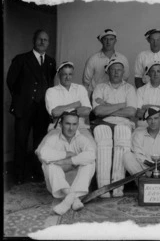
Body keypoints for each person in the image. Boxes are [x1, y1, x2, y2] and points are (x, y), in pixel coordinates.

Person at [7, 29, 56, 184]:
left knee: (40, 142)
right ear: (34, 41)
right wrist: (23, 98)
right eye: (40, 39)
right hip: (24, 107)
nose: (42, 42)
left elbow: (50, 83)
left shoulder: (50, 61)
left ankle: (37, 173)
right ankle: (19, 175)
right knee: (21, 141)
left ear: (48, 43)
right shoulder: (21, 59)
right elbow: (11, 82)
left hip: (42, 109)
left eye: (46, 40)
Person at [35, 111, 96, 215]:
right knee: (49, 164)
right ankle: (73, 198)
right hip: (58, 188)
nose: (71, 128)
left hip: (78, 185)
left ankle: (68, 200)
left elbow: (91, 155)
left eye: (74, 124)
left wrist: (69, 161)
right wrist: (65, 154)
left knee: (90, 162)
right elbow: (43, 154)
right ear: (60, 124)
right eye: (67, 123)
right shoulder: (53, 138)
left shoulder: (82, 139)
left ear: (77, 125)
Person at [92, 58, 137, 198]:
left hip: (124, 122)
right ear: (108, 71)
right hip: (103, 121)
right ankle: (103, 188)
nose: (116, 72)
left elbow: (131, 112)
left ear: (123, 72)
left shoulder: (129, 88)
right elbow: (98, 111)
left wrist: (108, 106)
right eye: (113, 69)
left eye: (119, 69)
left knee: (122, 132)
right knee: (102, 133)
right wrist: (121, 105)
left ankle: (117, 187)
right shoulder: (100, 87)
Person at [45, 61, 93, 140]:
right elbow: (55, 112)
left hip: (80, 126)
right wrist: (75, 105)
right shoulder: (51, 91)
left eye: (70, 74)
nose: (68, 77)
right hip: (59, 127)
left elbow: (86, 111)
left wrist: (62, 110)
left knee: (90, 147)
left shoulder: (80, 89)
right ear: (58, 75)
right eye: (64, 74)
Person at [82, 29, 130, 96]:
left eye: (111, 39)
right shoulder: (93, 59)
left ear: (115, 41)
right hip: (97, 95)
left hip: (117, 95)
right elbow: (86, 82)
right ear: (101, 41)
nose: (108, 42)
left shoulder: (122, 59)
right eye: (105, 39)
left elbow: (125, 78)